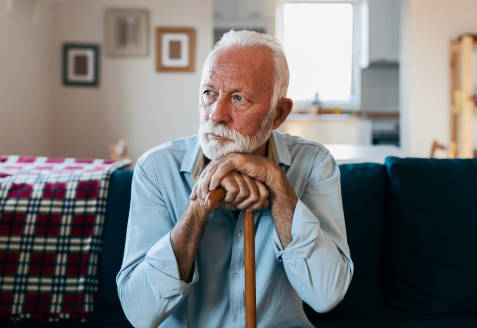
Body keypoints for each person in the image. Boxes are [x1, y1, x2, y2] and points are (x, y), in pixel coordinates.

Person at [116, 30, 353, 327]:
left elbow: (326, 294)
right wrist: (199, 206)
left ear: (278, 114)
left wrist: (278, 185)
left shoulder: (314, 163)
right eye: (209, 93)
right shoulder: (156, 168)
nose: (217, 114)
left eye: (238, 98)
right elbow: (140, 313)